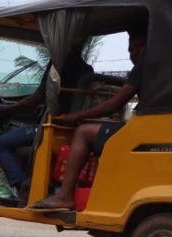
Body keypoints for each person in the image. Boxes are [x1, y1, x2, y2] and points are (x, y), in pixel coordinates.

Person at [30, 29, 147, 211]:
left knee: (83, 132)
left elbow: (113, 105)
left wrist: (78, 116)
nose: (134, 54)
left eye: (140, 48)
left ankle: (65, 195)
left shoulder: (143, 66)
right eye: (131, 50)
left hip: (143, 129)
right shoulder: (169, 66)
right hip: (150, 126)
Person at [0, 45, 93, 198]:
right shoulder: (86, 68)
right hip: (70, 128)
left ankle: (23, 187)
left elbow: (34, 99)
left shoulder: (58, 66)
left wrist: (6, 109)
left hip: (51, 126)